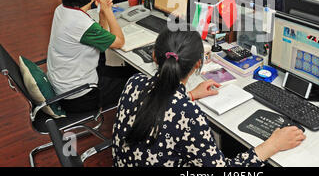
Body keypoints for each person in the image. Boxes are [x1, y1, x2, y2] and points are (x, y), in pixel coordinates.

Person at [112, 29, 305, 167]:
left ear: (154, 56)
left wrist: (190, 95)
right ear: (199, 64)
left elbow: (159, 106)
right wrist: (272, 145)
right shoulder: (189, 115)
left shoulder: (134, 82)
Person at [47, 0, 136, 113]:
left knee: (128, 70)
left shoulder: (61, 10)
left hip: (65, 85)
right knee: (139, 79)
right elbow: (119, 41)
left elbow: (97, 35)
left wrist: (101, 14)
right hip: (81, 96)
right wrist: (108, 12)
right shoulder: (80, 24)